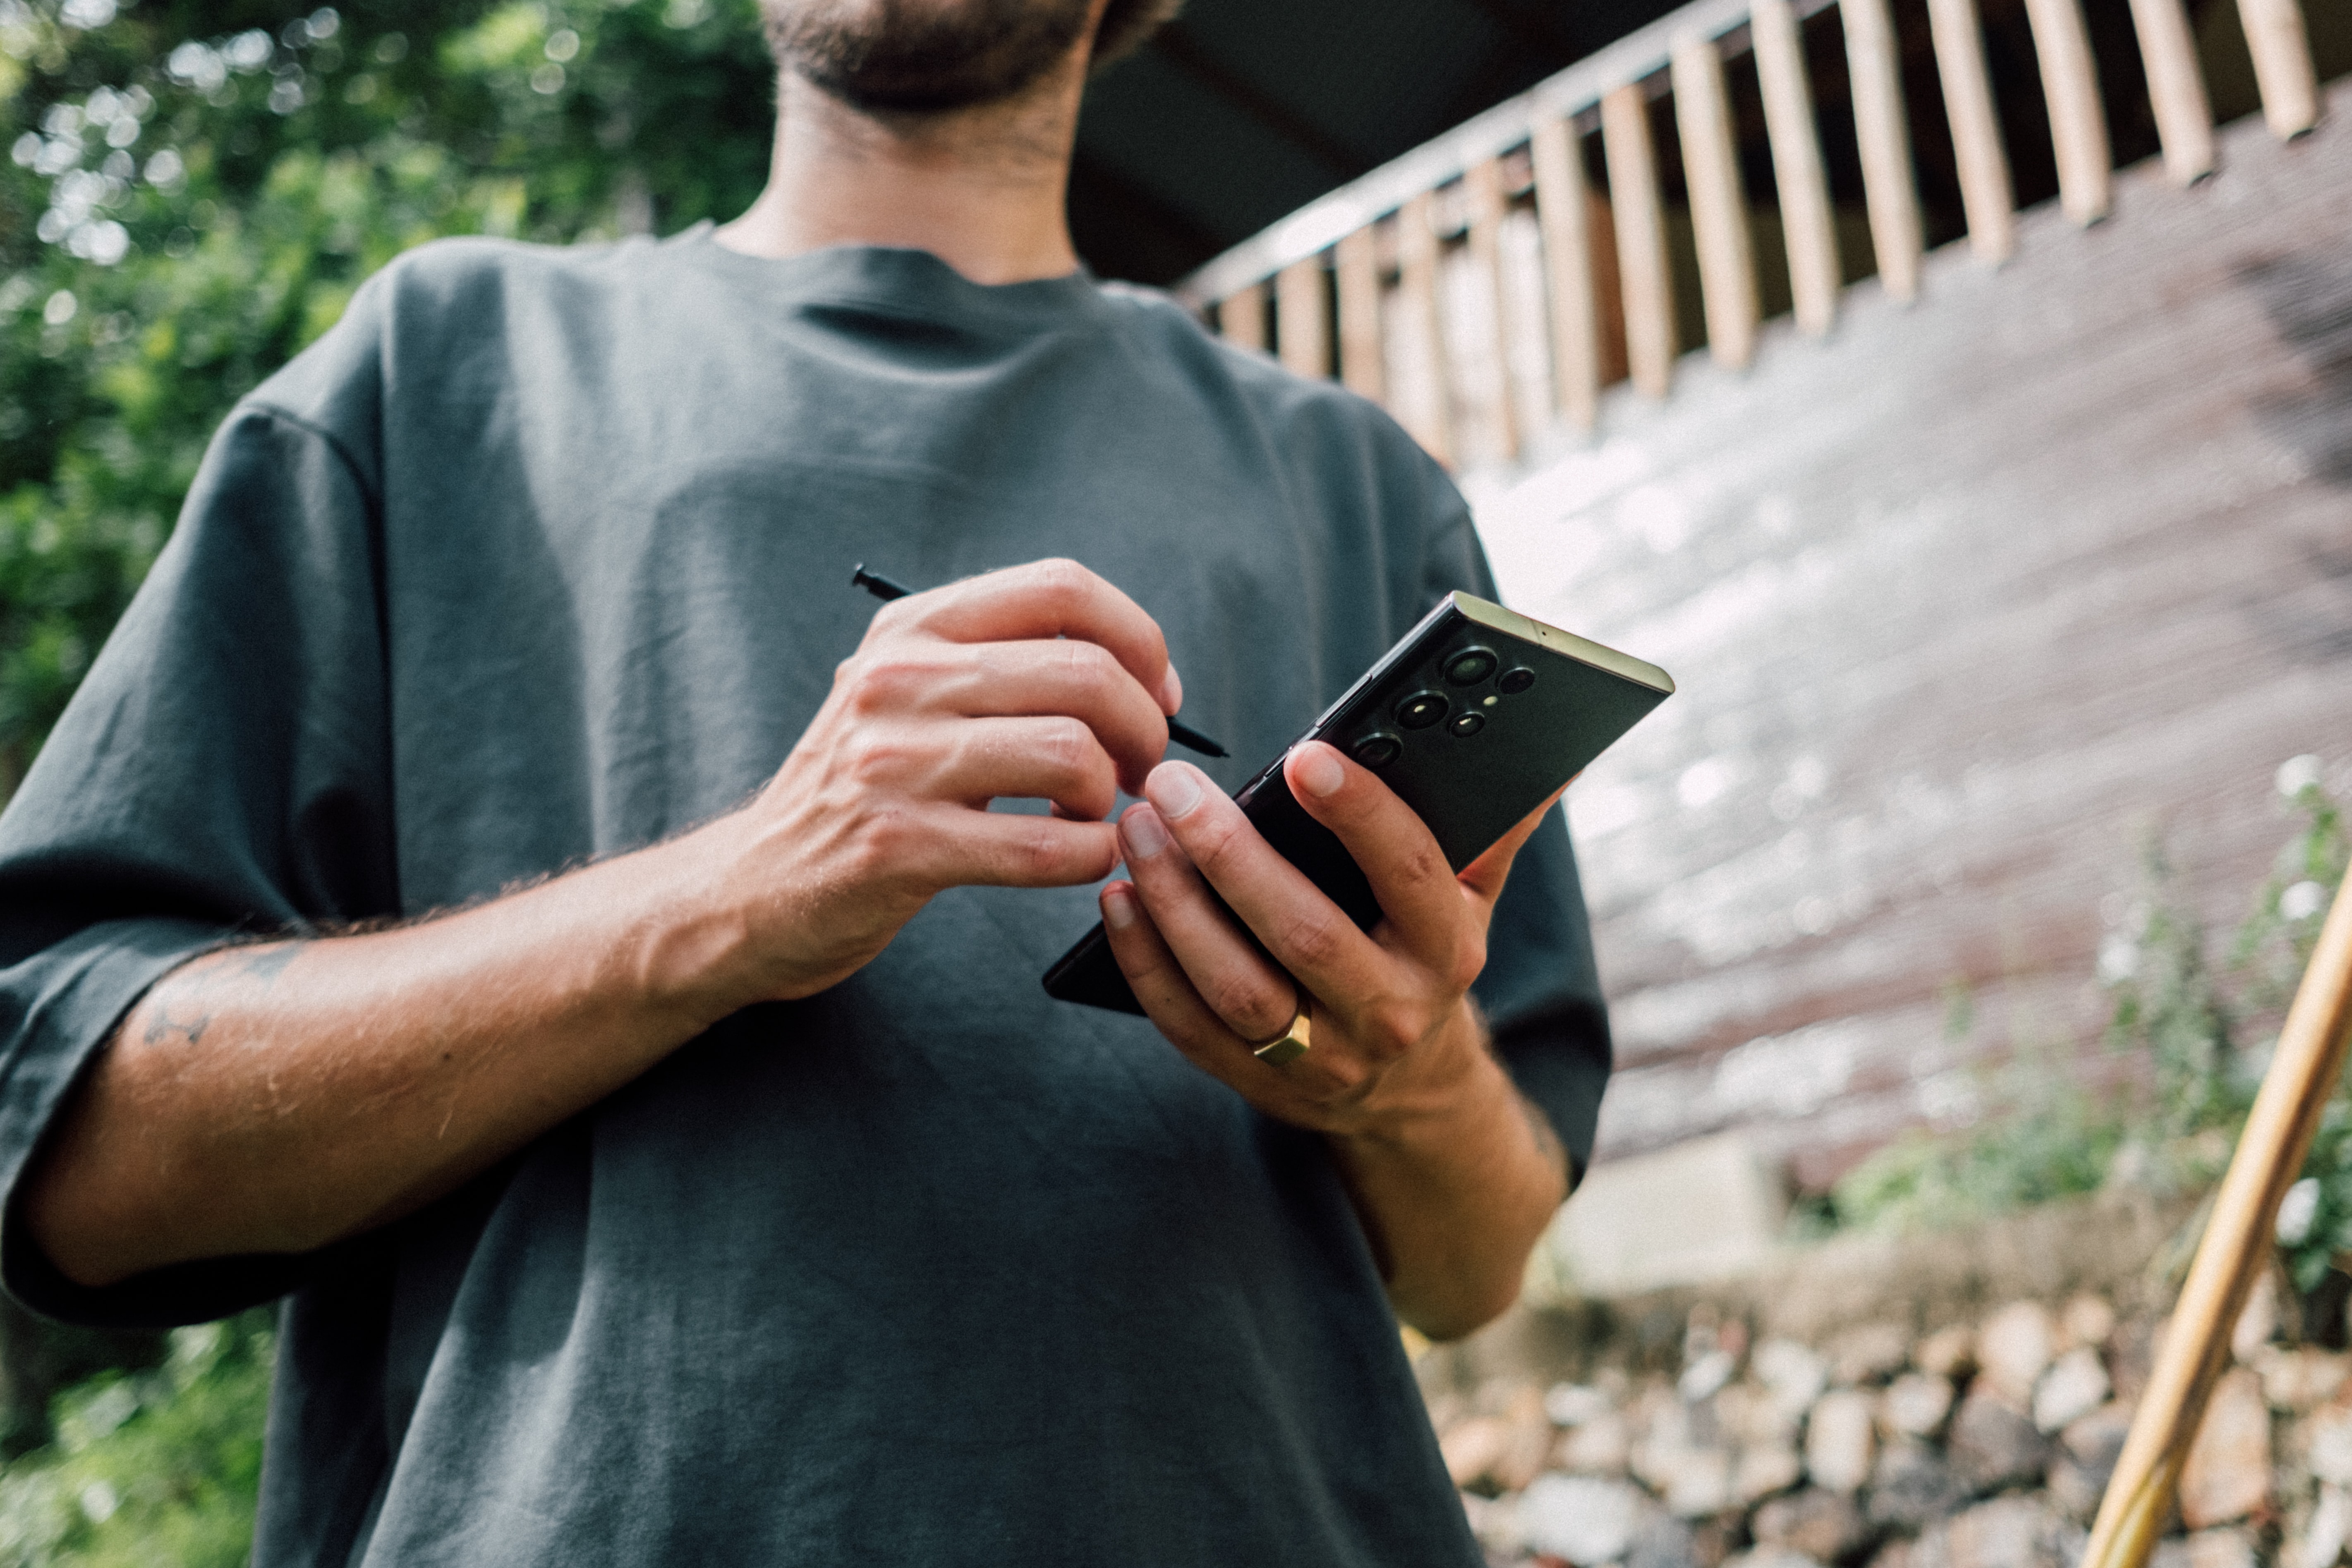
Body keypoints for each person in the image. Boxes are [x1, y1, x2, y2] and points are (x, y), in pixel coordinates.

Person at [0, 0, 1614, 1561]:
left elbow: (1475, 1266)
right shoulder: (437, 370)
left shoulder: (1361, 484)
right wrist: (744, 889)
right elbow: (72, 1165)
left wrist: (1399, 1078)